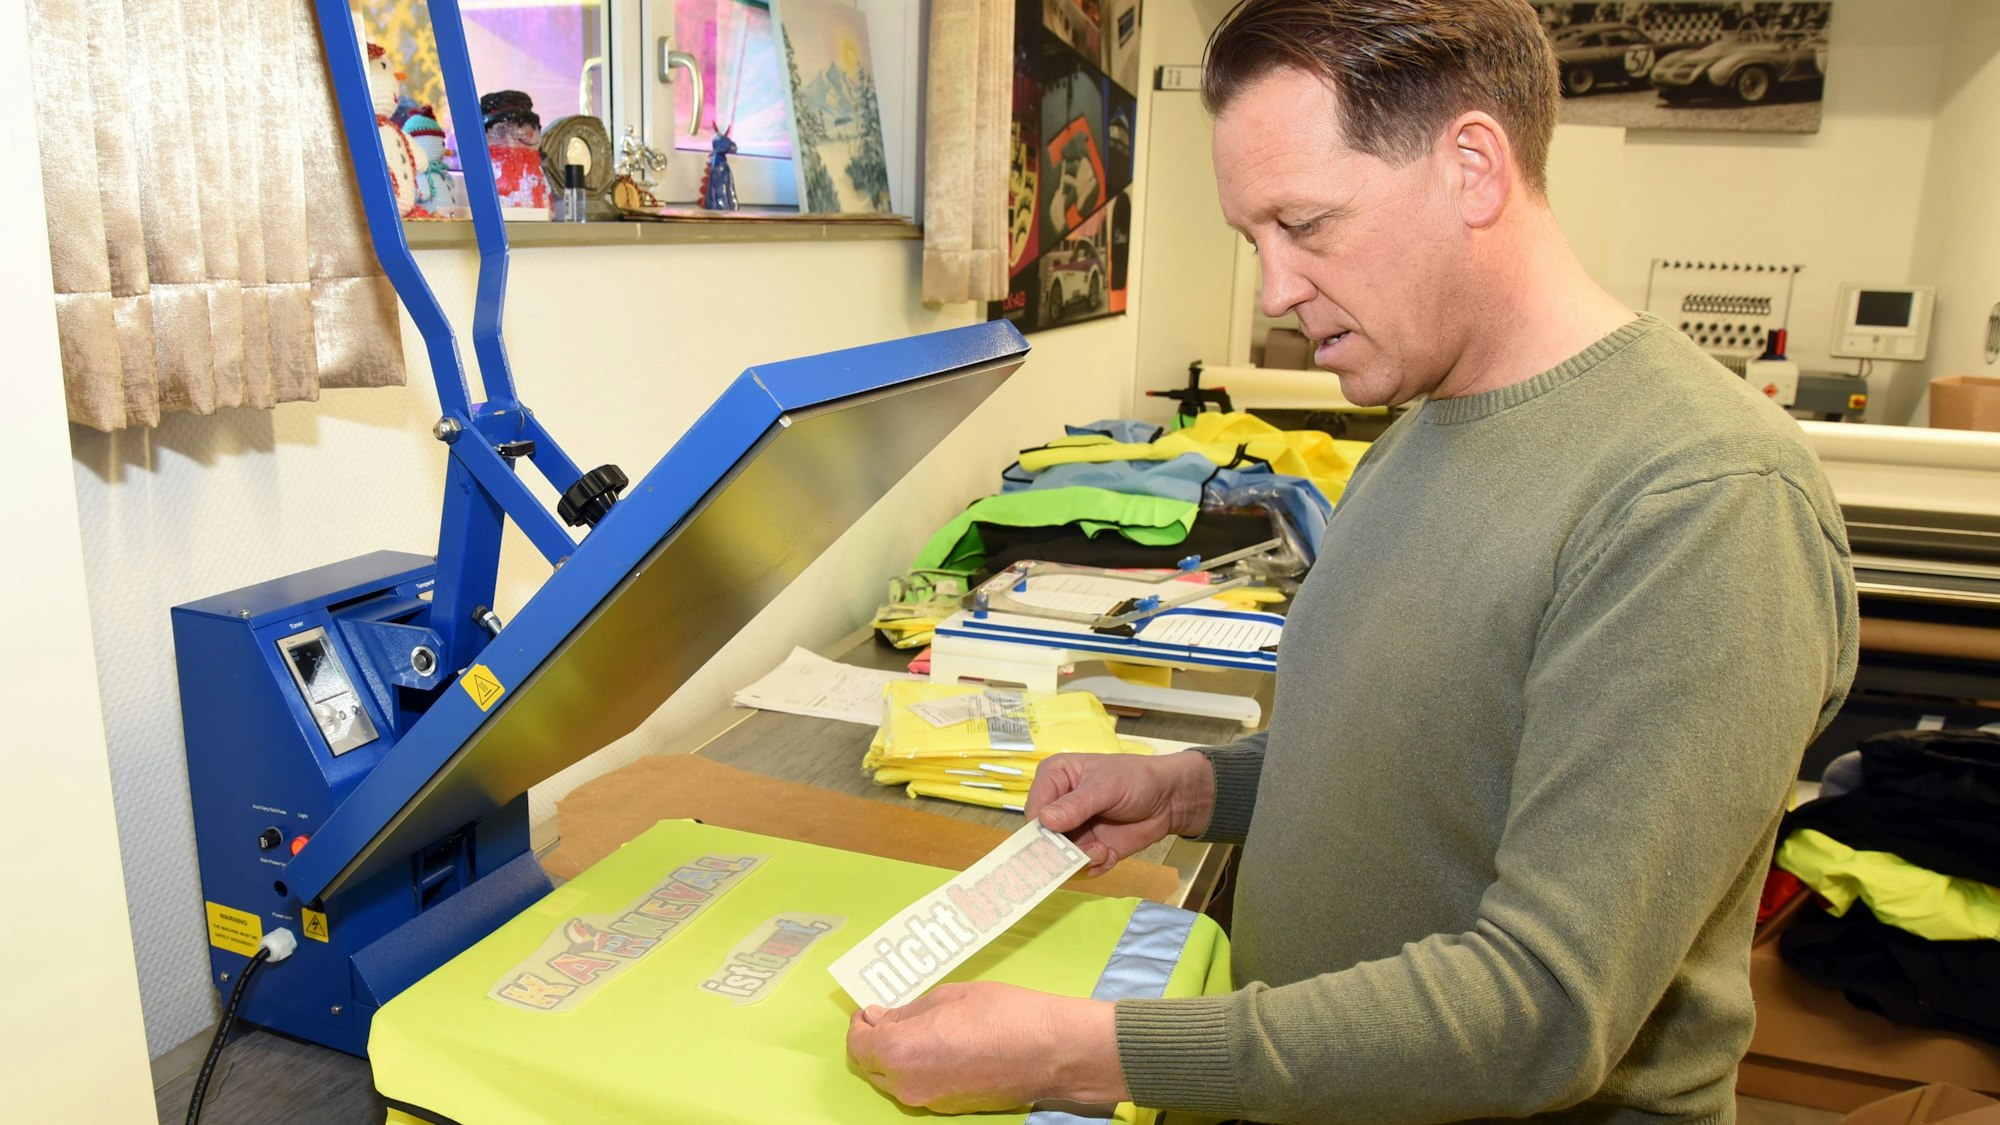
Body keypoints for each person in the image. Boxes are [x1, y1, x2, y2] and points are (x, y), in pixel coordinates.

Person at [847, 1, 1858, 1121]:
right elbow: (1419, 755)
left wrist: (1082, 1055)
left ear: (1471, 166)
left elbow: (1543, 1009)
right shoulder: (1421, 427)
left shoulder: (1701, 501)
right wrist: (1194, 787)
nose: (1274, 288)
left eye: (1306, 225)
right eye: (1252, 240)